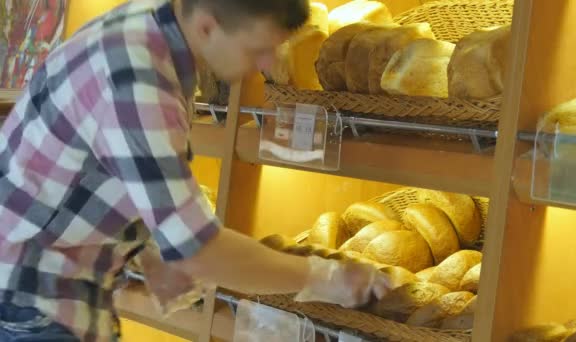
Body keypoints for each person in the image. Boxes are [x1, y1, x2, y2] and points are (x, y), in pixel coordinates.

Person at [0, 0, 392, 341]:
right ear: (208, 25)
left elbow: (104, 166)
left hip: (39, 280)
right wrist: (326, 278)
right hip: (31, 296)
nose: (267, 65)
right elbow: (199, 251)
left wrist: (148, 251)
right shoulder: (140, 79)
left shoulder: (148, 30)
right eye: (258, 49)